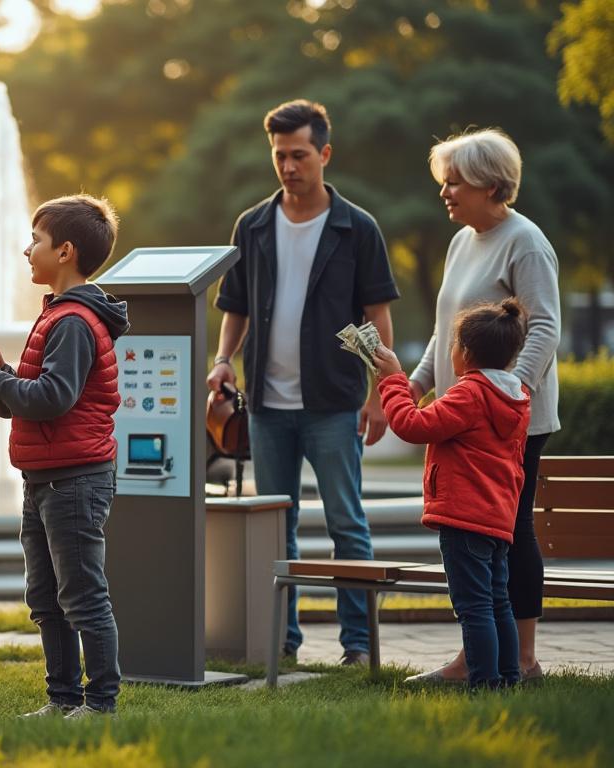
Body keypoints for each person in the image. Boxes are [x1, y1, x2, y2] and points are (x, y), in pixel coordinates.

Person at [207, 100, 400, 665]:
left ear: (324, 154)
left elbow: (377, 317)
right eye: (279, 156)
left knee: (348, 523)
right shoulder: (253, 224)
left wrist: (380, 394)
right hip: (266, 406)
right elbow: (235, 307)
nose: (289, 166)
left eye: (299, 155)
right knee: (276, 528)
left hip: (334, 404)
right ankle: (281, 644)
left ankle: (359, 646)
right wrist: (223, 359)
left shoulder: (356, 227)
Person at [0, 194, 129, 720]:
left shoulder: (74, 321)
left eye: (36, 240)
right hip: (47, 478)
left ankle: (100, 706)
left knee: (82, 597)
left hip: (75, 480)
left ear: (66, 251)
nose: (26, 249)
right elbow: (31, 400)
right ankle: (61, 700)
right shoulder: (57, 315)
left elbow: (53, 398)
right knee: (47, 598)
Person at [403, 128, 561, 685]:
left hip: (512, 421)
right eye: (444, 182)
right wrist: (419, 381)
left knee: (509, 533)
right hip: (469, 415)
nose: (445, 192)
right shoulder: (462, 239)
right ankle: (481, 655)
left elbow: (544, 325)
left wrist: (507, 391)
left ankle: (519, 659)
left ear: (492, 186)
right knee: (479, 539)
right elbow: (447, 328)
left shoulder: (526, 241)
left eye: (455, 183)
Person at [374, 299, 531, 688]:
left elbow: (410, 425)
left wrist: (393, 380)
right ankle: (508, 679)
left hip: (464, 519)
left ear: (465, 353)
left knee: (474, 607)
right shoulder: (515, 397)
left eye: (453, 345)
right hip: (496, 520)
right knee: (499, 603)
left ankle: (484, 684)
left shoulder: (470, 393)